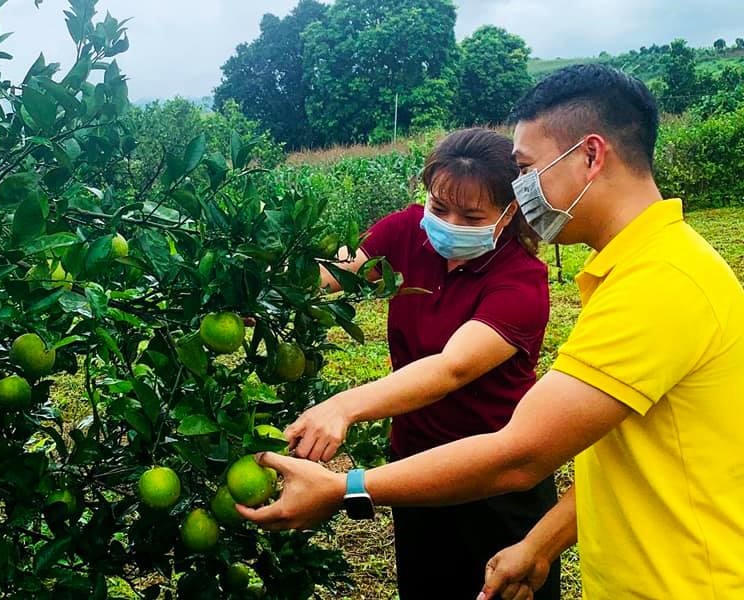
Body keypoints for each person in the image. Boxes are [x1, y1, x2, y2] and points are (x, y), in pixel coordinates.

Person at [237, 64, 744, 600]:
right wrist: (542, 544)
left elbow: (519, 454)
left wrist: (345, 488)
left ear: (591, 157)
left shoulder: (659, 284)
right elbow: (622, 457)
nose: (523, 189)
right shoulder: (638, 269)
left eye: (526, 169)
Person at [285, 128, 559, 598]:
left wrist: (344, 406)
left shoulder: (521, 281)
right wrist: (250, 289)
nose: (448, 222)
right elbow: (336, 273)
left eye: (471, 216)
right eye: (439, 208)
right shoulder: (405, 232)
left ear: (510, 213)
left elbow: (451, 367)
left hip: (493, 476)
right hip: (413, 467)